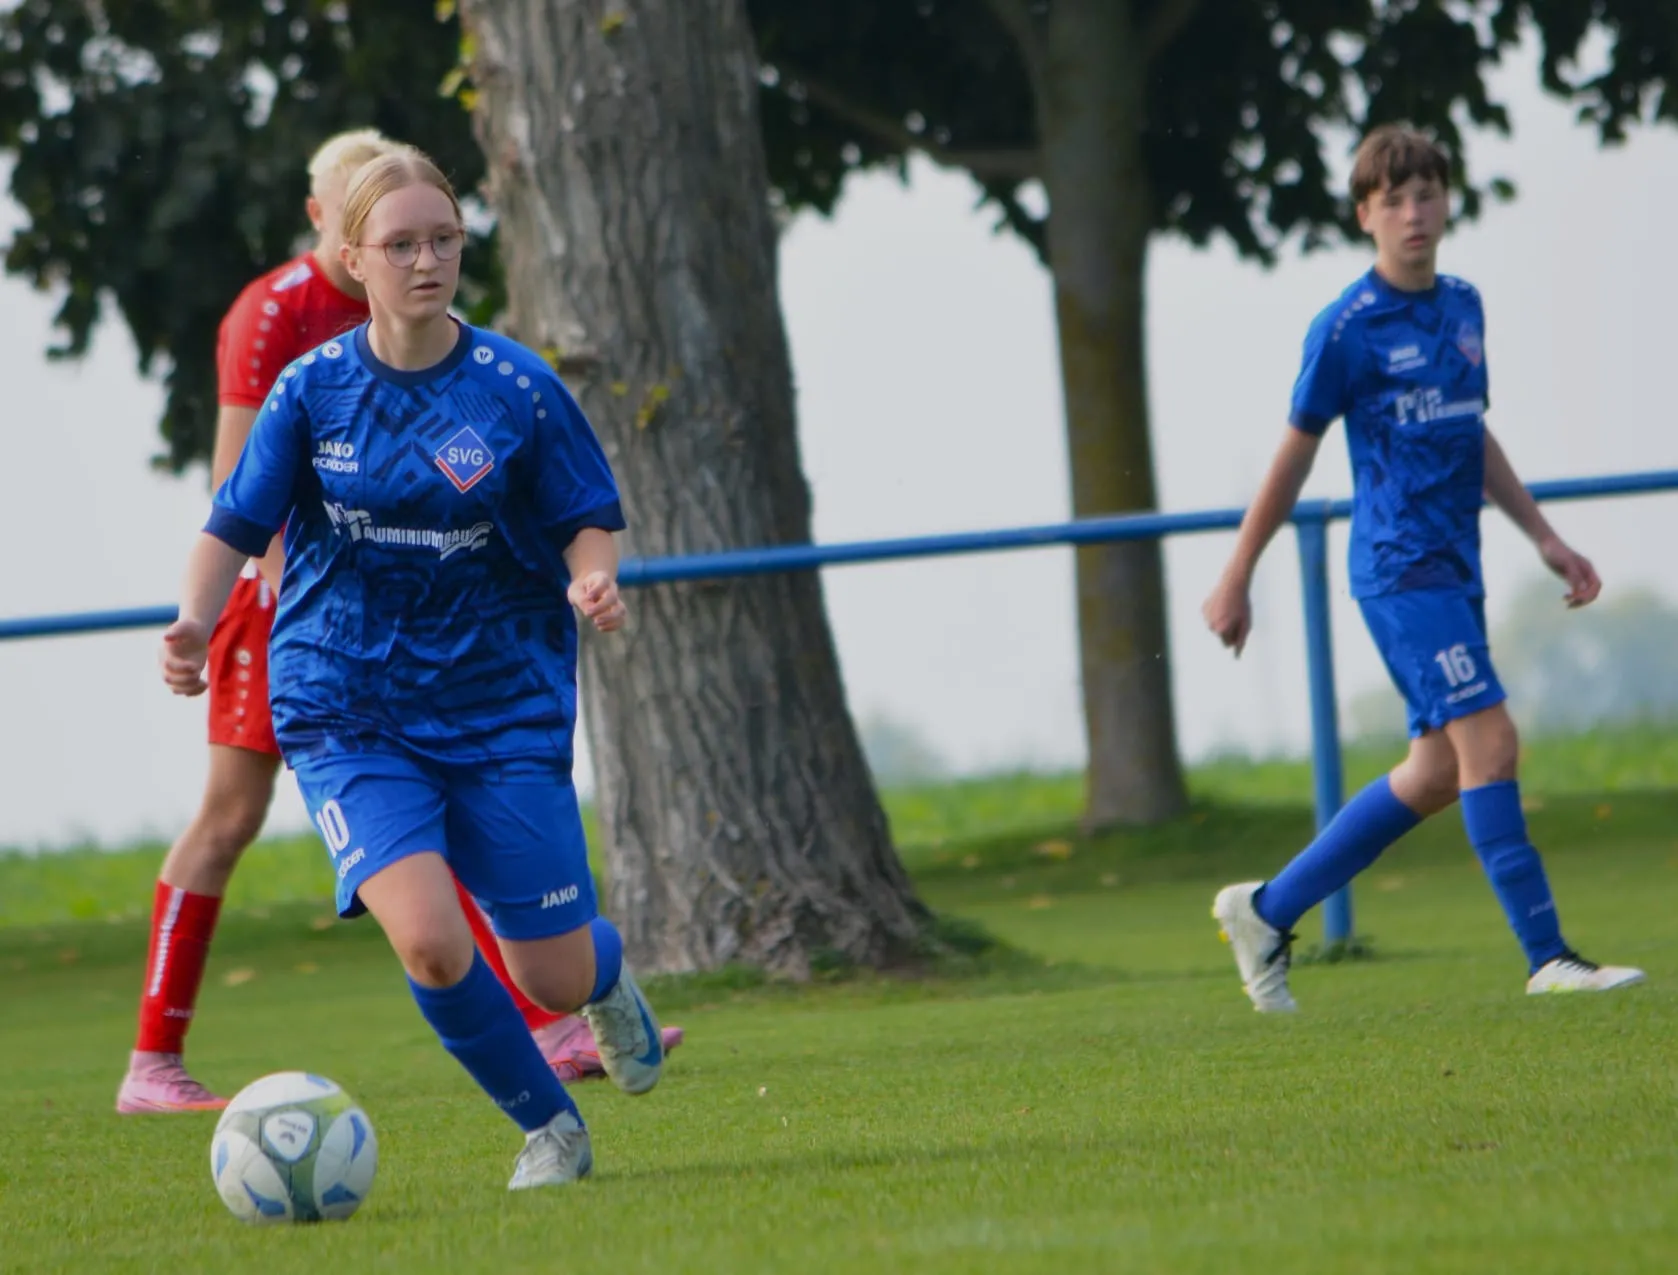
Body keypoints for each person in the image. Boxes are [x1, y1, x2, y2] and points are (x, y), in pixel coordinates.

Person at [120, 128, 676, 1117]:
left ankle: (598, 981)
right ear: (349, 251)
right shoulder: (306, 378)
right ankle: (549, 1130)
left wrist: (592, 579)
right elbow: (233, 518)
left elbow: (585, 517)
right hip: (345, 696)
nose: (427, 260)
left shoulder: (515, 387)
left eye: (444, 240)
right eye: (401, 243)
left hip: (495, 694)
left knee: (550, 972)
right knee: (424, 935)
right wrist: (194, 621)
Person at [1201, 122, 1645, 1013]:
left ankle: (1266, 910)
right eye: (1394, 199)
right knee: (1492, 741)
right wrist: (1237, 571)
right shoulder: (1345, 330)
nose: (1413, 213)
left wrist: (1544, 537)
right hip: (1399, 573)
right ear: (1364, 215)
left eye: (1427, 195)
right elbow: (1293, 457)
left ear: (1446, 203)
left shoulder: (1464, 307)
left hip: (1456, 568)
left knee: (1438, 771)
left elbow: (1470, 431)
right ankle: (1549, 958)